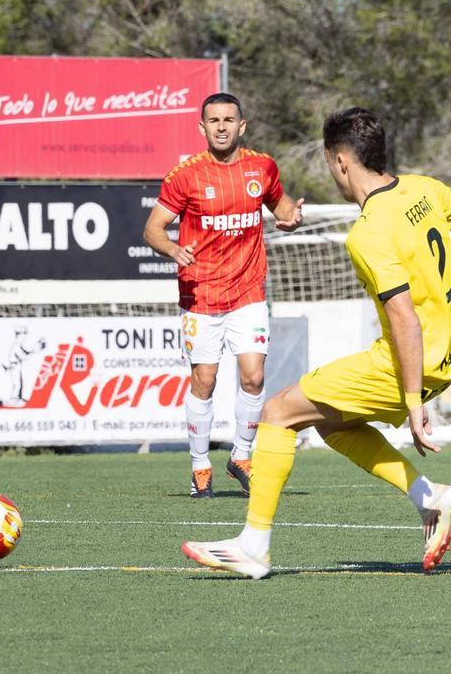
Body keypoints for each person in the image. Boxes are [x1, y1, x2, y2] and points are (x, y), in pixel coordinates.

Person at [182, 107, 451, 578]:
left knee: (278, 412)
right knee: (329, 422)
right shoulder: (424, 188)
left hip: (408, 361)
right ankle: (431, 498)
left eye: (330, 162)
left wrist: (412, 403)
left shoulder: (368, 232)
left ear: (342, 162)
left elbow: (403, 318)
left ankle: (253, 547)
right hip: (440, 354)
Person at [144, 93, 304, 497]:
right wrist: (173, 249)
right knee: (206, 379)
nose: (220, 126)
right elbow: (152, 229)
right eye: (213, 120)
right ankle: (200, 466)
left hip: (248, 291)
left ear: (241, 126)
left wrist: (292, 219)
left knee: (253, 377)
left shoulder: (261, 166)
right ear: (202, 128)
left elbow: (283, 208)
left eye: (228, 120)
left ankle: (241, 456)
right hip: (200, 294)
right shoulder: (186, 176)